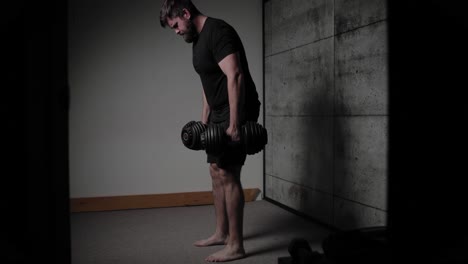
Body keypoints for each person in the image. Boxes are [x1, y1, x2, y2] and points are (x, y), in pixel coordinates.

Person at [160, 0, 261, 262]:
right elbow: (208, 82)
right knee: (215, 171)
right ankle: (221, 233)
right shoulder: (197, 42)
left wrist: (235, 124)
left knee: (228, 172)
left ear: (185, 13)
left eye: (176, 25)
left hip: (237, 108)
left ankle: (236, 246)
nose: (177, 31)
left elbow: (235, 75)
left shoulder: (219, 31)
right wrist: (204, 121)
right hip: (218, 111)